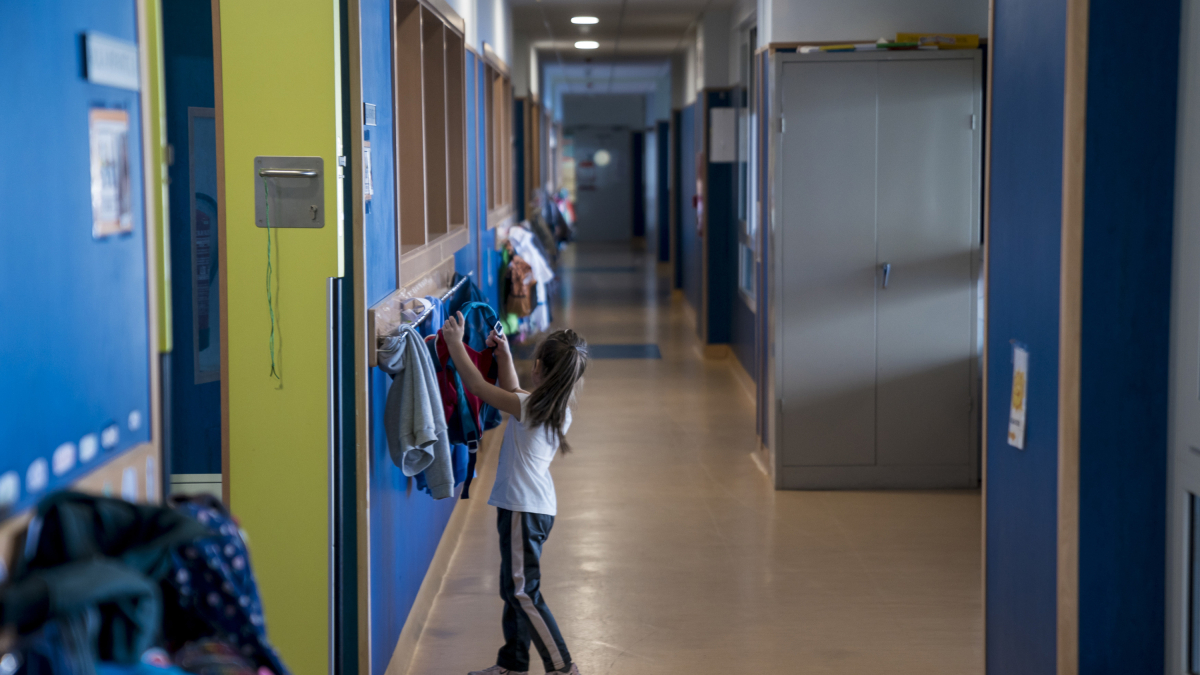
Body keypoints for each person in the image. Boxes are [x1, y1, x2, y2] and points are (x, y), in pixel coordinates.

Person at [441, 314, 590, 675]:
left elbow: (477, 386)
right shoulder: (552, 407)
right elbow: (512, 393)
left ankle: (562, 666)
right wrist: (505, 355)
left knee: (523, 592)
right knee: (514, 588)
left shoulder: (531, 408)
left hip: (524, 509)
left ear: (538, 367)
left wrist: (454, 343)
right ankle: (512, 664)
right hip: (529, 507)